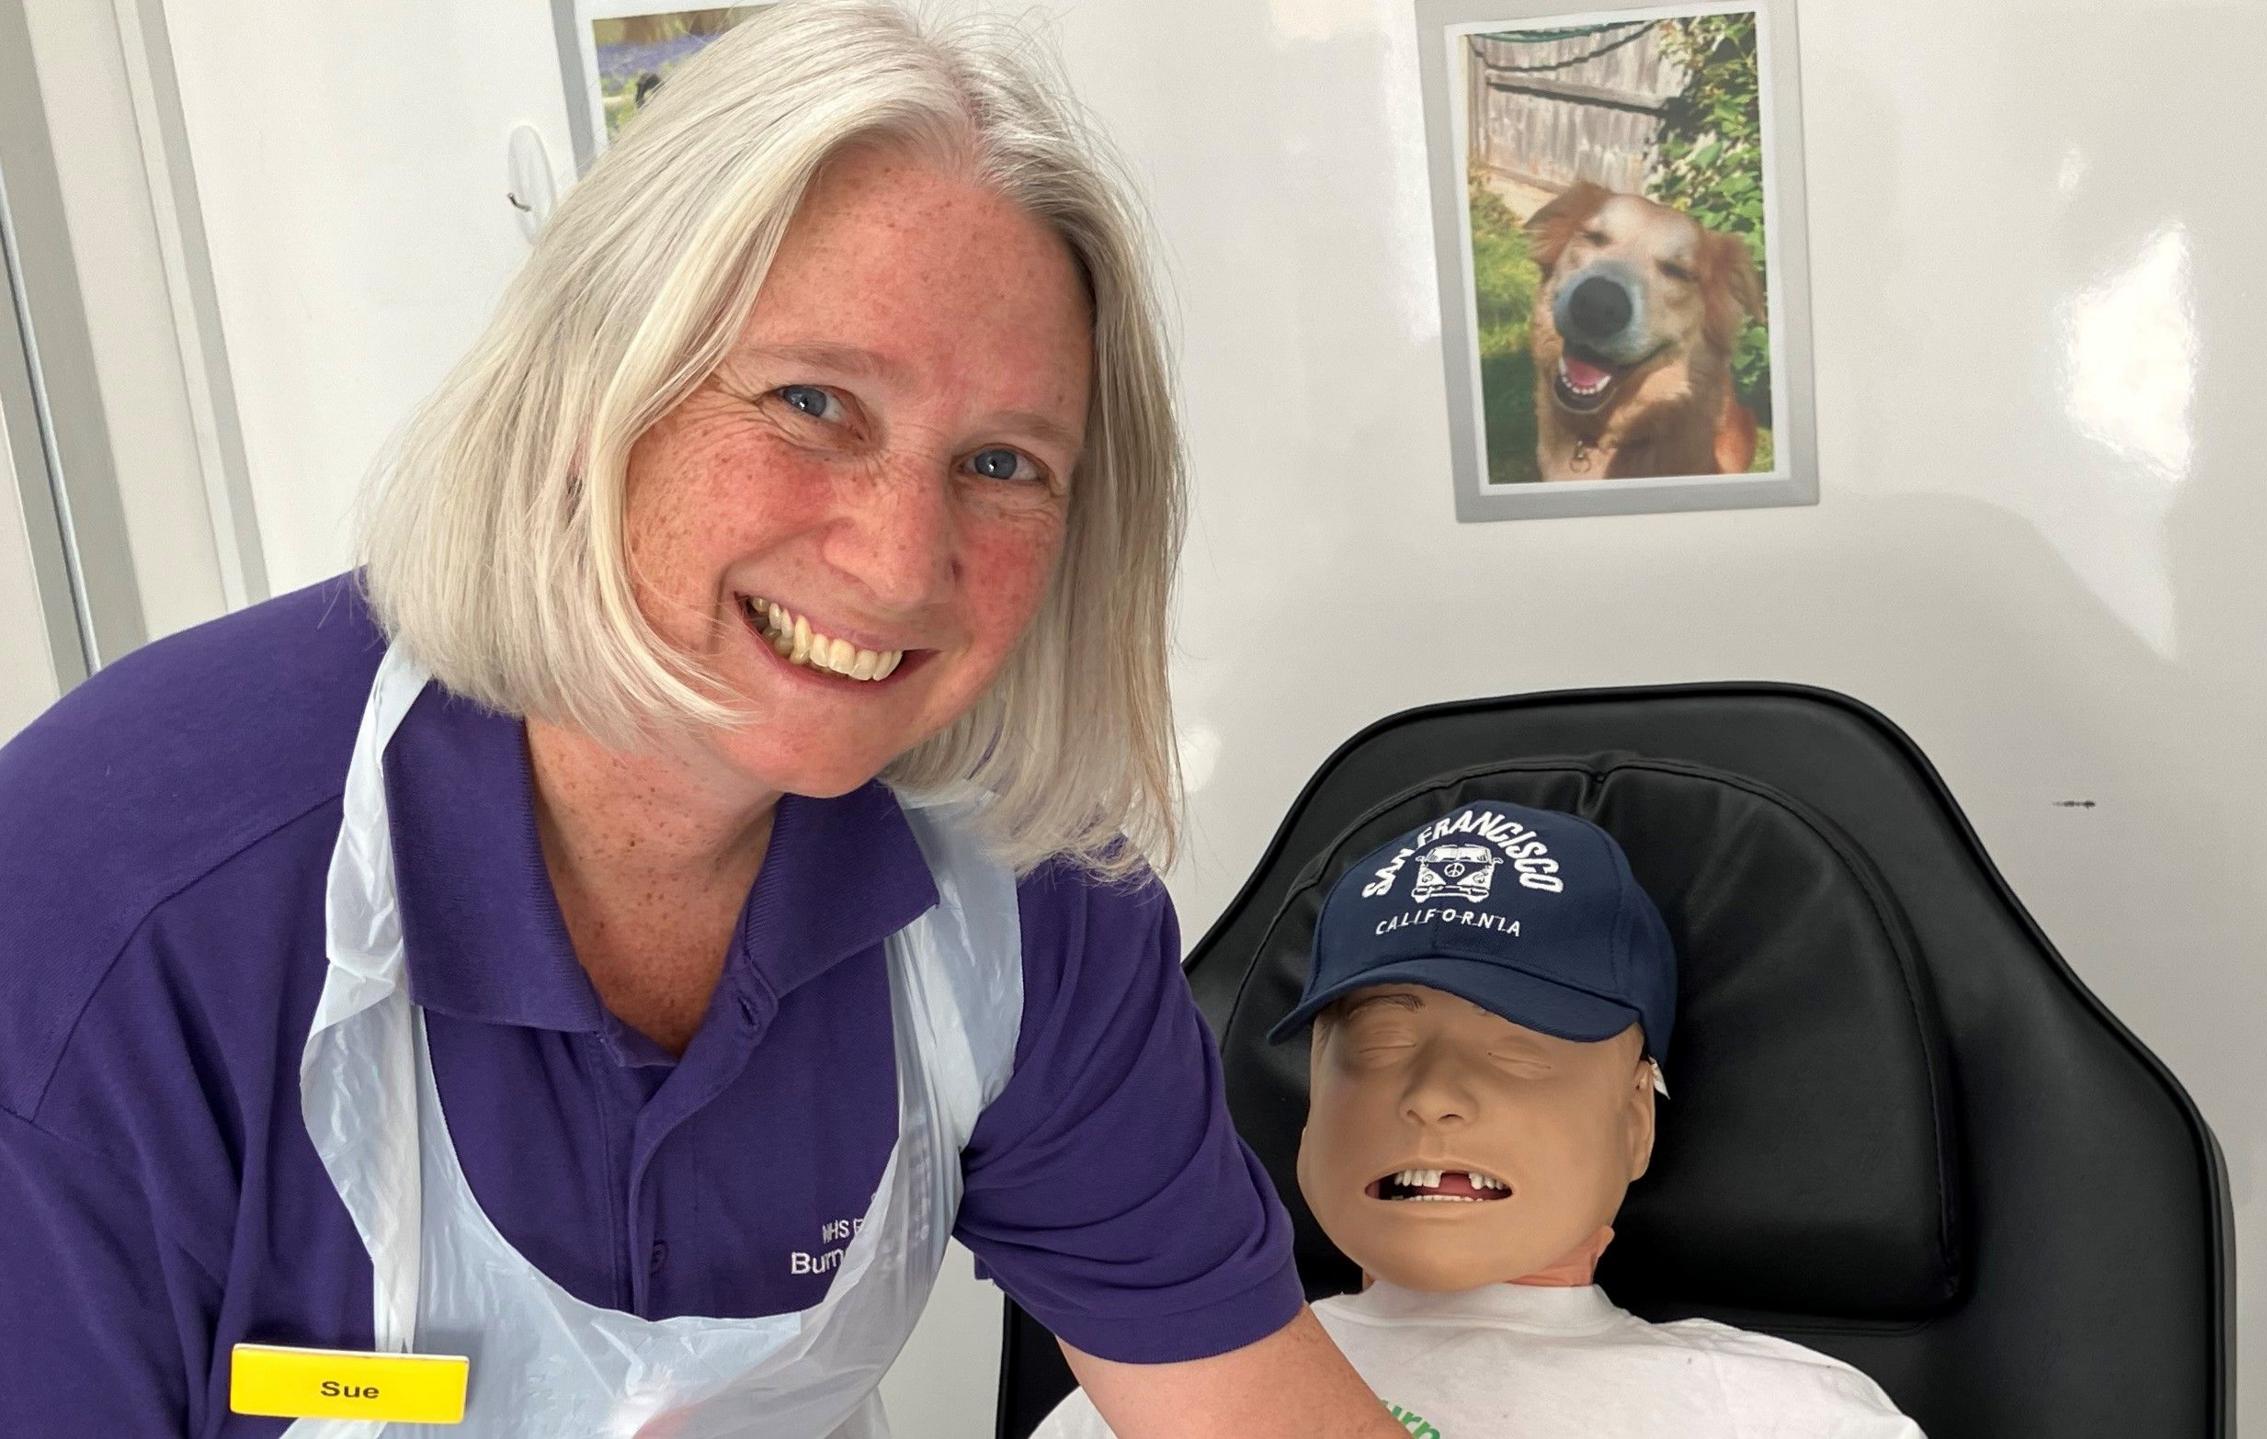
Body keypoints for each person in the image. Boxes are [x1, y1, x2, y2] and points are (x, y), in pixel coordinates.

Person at [0, 5, 1406, 1436]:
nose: (899, 564)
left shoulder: (1027, 895)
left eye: (1001, 463)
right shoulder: (101, 911)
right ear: (588, 386)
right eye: (813, 401)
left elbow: (1250, 1404)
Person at [1032, 802, 1926, 1438]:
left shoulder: (1779, 1413)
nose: (1431, 1095)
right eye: (1379, 1044)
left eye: (1519, 1051)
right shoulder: (1145, 1388)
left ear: (1635, 1121)